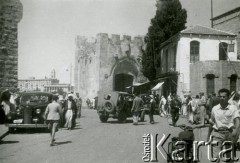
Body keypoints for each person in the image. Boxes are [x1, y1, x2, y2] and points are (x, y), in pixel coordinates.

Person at [209, 88, 240, 162]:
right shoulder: (215, 109)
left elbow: (237, 121)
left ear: (228, 97)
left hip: (229, 134)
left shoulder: (233, 108)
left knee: (229, 157)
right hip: (217, 134)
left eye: (224, 96)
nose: (222, 98)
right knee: (215, 157)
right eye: (220, 96)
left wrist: (235, 132)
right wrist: (210, 134)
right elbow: (211, 120)